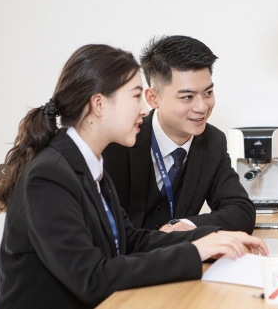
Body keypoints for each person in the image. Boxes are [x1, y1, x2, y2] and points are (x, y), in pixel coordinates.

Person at [0, 44, 268, 309]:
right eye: (136, 96)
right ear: (99, 105)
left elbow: (132, 241)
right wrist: (195, 252)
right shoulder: (49, 175)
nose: (144, 109)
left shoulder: (90, 165)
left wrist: (209, 240)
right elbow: (92, 278)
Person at [103, 35, 255, 233]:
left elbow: (242, 211)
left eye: (208, 93)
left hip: (179, 260)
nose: (202, 107)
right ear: (153, 98)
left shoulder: (212, 142)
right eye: (187, 97)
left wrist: (189, 226)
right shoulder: (120, 141)